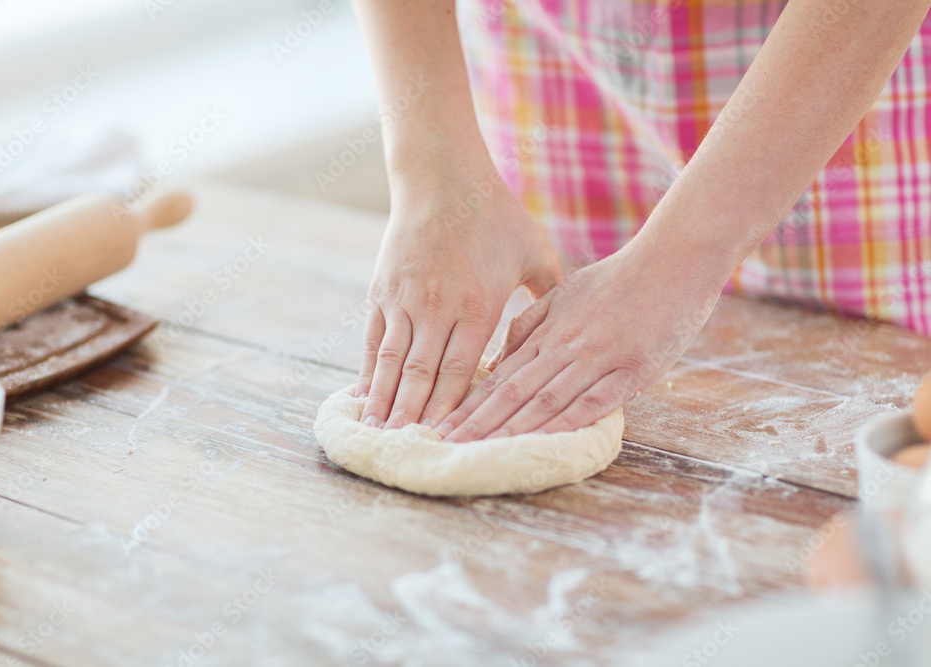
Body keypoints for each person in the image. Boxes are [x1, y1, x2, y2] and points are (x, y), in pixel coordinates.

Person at [350, 0, 931, 443]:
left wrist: (684, 255)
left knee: (864, 422)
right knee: (568, 362)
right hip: (560, 73)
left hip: (827, 91)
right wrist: (434, 173)